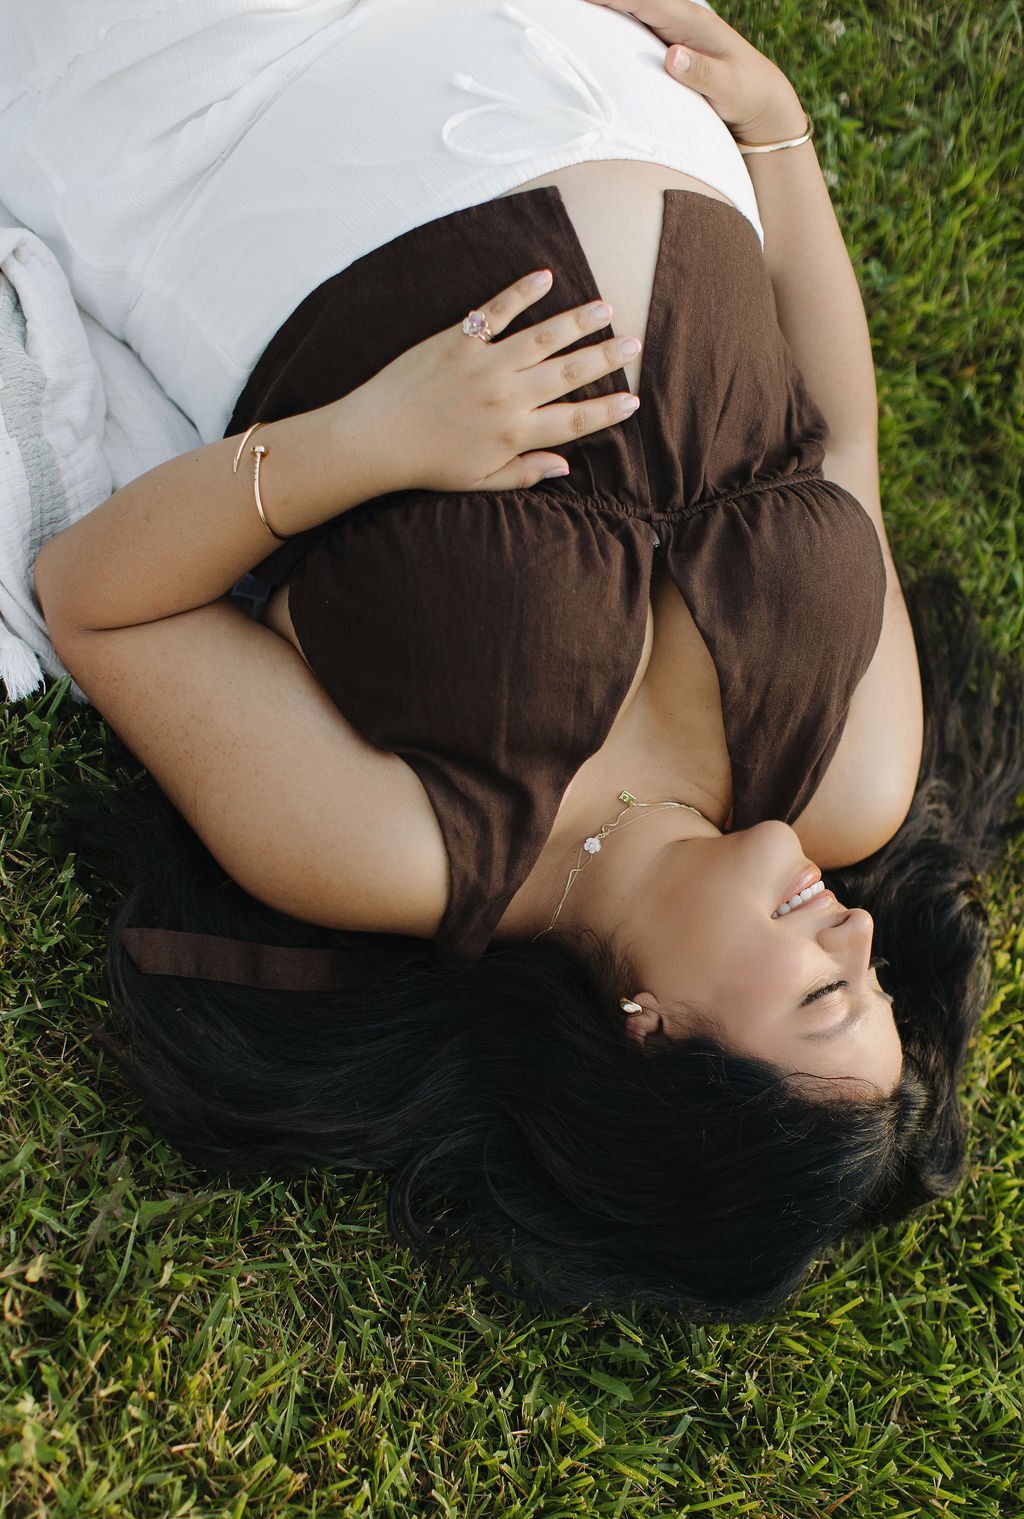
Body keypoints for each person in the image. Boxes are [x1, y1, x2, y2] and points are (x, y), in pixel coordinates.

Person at [19, 0, 1023, 1315]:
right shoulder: (853, 779)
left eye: (826, 998)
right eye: (877, 976)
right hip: (586, 67)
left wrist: (369, 444)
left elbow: (98, 602)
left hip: (263, 140)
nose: (856, 927)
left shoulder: (406, 851)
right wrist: (778, 136)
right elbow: (841, 450)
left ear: (655, 1039)